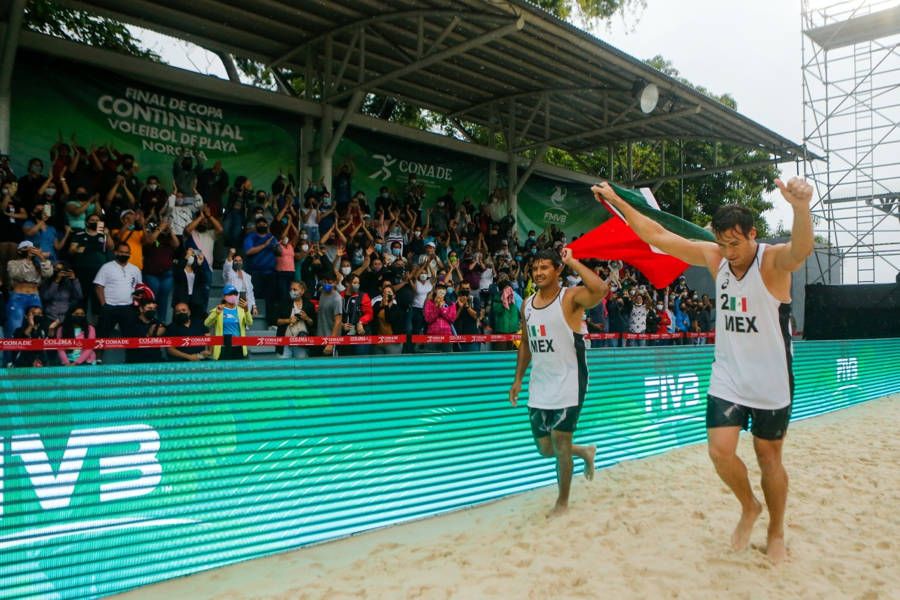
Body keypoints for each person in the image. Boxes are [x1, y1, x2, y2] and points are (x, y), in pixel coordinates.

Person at [592, 178, 814, 563]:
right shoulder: (716, 257)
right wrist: (617, 201)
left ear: (752, 234)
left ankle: (776, 530)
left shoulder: (773, 260)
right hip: (728, 375)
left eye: (736, 243)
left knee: (768, 458)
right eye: (723, 244)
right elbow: (658, 235)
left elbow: (801, 248)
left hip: (771, 378)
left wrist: (800, 207)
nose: (730, 253)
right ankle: (749, 506)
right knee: (719, 452)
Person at [508, 248, 607, 516]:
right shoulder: (527, 304)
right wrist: (518, 379)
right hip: (540, 383)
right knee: (545, 448)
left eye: (545, 267)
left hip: (569, 380)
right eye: (535, 268)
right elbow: (526, 343)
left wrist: (573, 260)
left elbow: (600, 290)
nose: (538, 273)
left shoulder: (570, 297)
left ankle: (562, 503)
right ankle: (584, 452)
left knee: (561, 444)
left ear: (557, 270)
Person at [205, 284, 253, 360]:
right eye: (230, 294)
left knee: (238, 371)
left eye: (235, 294)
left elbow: (250, 323)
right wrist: (216, 313)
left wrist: (246, 310)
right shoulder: (218, 309)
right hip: (223, 347)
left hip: (239, 347)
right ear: (224, 296)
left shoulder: (241, 310)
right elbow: (207, 323)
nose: (233, 296)